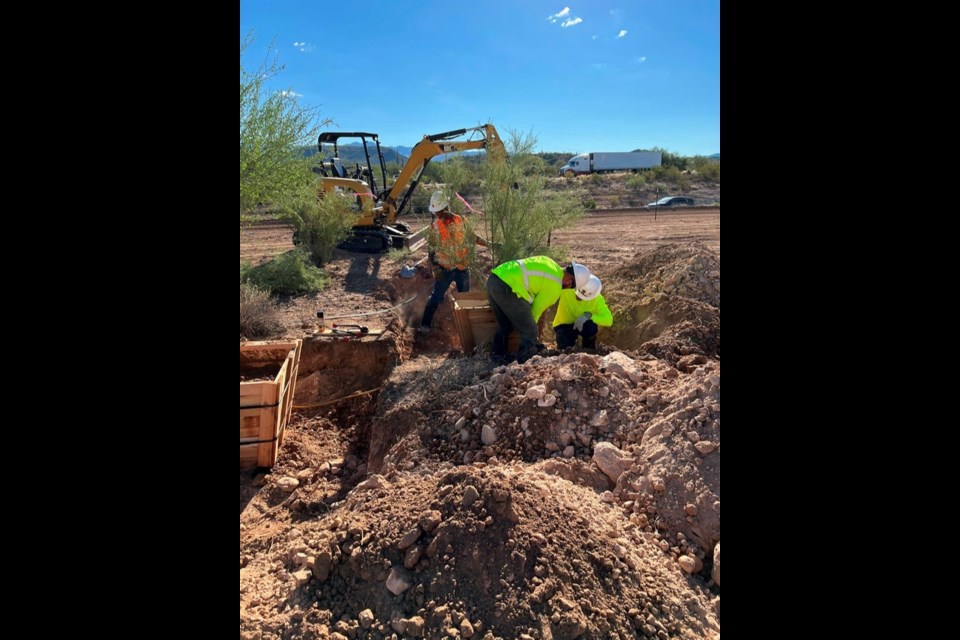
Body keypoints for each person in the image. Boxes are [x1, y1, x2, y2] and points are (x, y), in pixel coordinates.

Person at [485, 257, 592, 362]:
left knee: (505, 325)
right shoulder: (555, 287)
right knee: (530, 330)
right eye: (572, 287)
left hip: (494, 279)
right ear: (569, 281)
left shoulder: (550, 263)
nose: (568, 288)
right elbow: (535, 313)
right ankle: (523, 364)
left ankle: (496, 358)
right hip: (508, 287)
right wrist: (533, 337)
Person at [418, 192, 474, 334]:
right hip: (444, 270)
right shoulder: (435, 227)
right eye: (435, 212)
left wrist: (489, 244)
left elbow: (472, 237)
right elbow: (431, 251)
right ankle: (425, 325)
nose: (437, 214)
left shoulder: (461, 221)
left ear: (446, 208)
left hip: (462, 268)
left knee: (465, 300)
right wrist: (435, 267)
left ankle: (467, 329)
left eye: (438, 211)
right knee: (435, 298)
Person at [552, 274, 611, 350]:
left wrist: (589, 317)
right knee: (565, 350)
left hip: (584, 327)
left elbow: (608, 320)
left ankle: (588, 349)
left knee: (590, 327)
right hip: (563, 325)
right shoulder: (568, 287)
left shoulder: (597, 299)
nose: (578, 297)